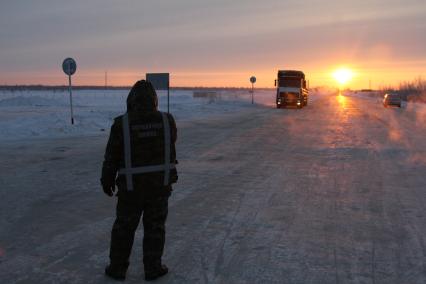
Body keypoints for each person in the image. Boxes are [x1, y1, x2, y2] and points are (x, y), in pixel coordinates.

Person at [100, 80, 178, 281]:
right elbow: (171, 145)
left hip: (131, 190)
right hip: (159, 187)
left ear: (131, 99)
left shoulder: (121, 124)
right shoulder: (166, 120)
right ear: (154, 100)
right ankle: (153, 268)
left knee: (124, 229)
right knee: (155, 229)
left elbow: (112, 156)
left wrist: (107, 179)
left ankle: (117, 268)